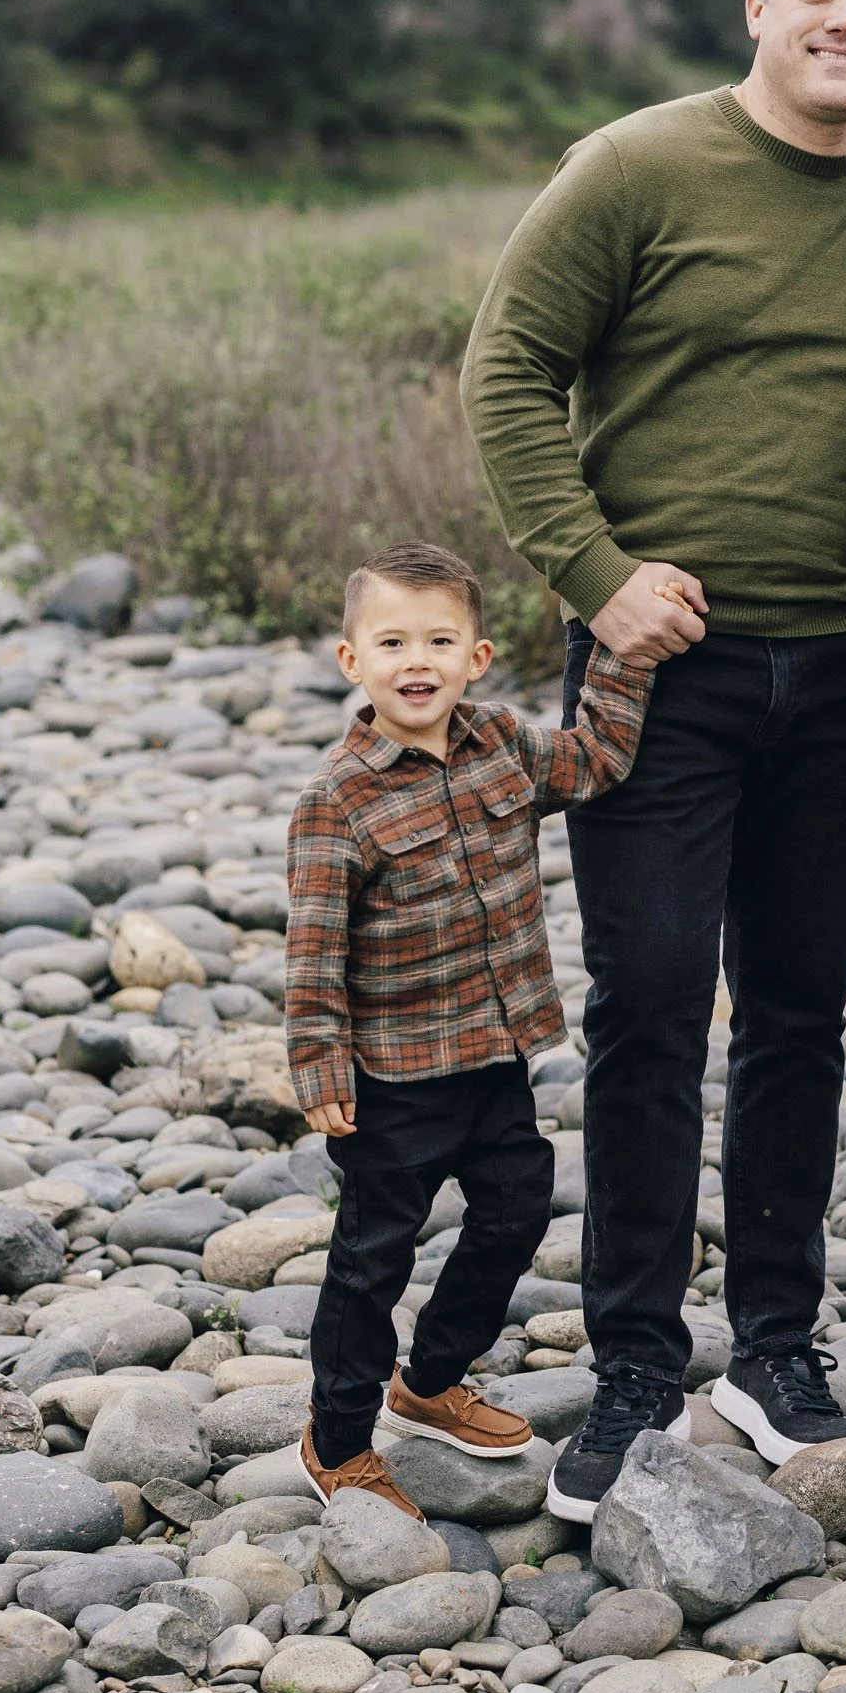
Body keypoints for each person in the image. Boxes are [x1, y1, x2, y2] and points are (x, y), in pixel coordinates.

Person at [461, 0, 846, 1520]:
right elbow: (503, 371)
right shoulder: (635, 168)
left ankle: (775, 1346)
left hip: (839, 671)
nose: (844, 19)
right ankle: (637, 1365)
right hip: (652, 683)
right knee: (650, 1007)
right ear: (754, 6)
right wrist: (596, 579)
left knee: (800, 1010)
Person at [285, 541, 652, 1507]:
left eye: (439, 641)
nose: (418, 661)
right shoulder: (338, 800)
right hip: (392, 1079)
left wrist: (628, 649)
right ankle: (337, 1439)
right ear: (351, 661)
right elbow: (315, 947)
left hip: (495, 1056)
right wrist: (319, 1065)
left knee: (518, 1208)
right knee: (372, 1260)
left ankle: (433, 1379)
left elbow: (599, 759)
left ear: (477, 658)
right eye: (393, 641)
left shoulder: (505, 745)